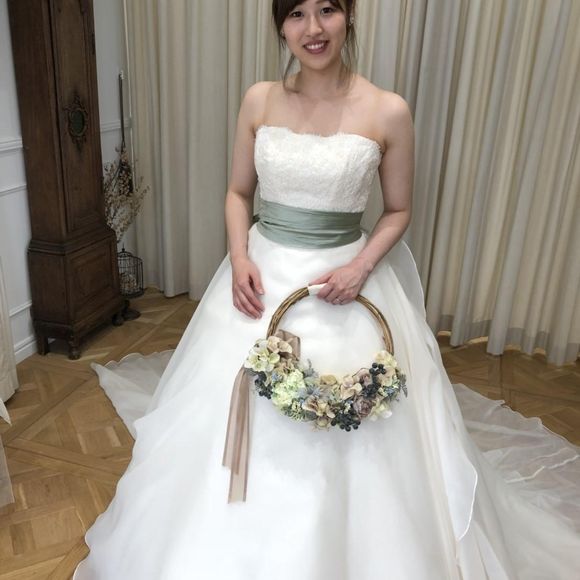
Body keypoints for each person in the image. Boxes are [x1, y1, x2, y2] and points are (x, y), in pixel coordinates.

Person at [74, 0, 580, 578]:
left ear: (349, 16)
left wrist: (360, 267)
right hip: (261, 278)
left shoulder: (388, 110)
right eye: (296, 13)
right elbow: (238, 193)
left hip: (345, 281)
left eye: (327, 10)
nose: (312, 28)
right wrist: (239, 257)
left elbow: (399, 209)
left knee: (367, 433)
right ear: (280, 26)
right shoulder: (259, 99)